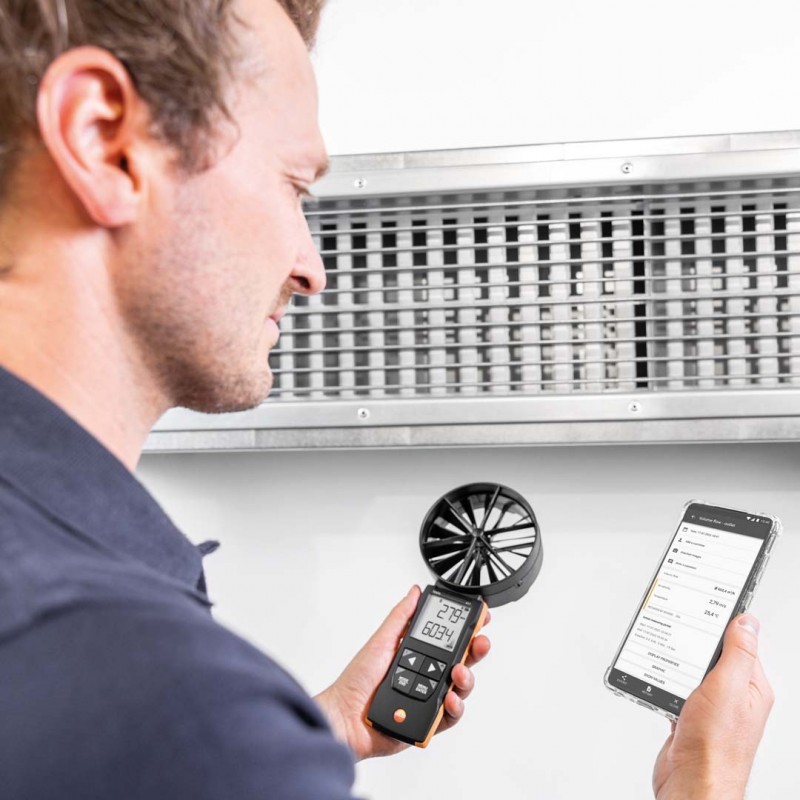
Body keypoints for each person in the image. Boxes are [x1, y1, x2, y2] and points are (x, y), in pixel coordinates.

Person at [0, 1, 773, 798]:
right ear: (101, 138)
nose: (312, 269)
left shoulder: (82, 646)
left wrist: (308, 735)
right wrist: (705, 776)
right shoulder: (161, 693)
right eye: (291, 185)